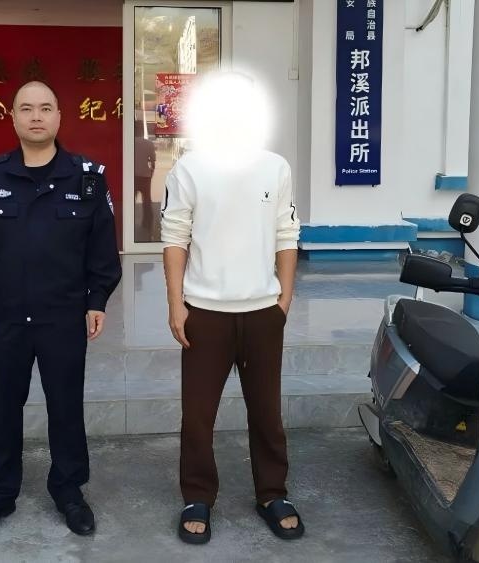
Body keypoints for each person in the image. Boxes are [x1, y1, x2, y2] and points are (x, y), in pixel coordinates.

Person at [0, 80, 121, 543]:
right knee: (3, 406)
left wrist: (97, 299)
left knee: (66, 406)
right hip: (6, 316)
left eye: (46, 108)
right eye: (26, 109)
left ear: (59, 116)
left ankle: (69, 490)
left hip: (63, 316)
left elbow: (102, 249)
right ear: (13, 118)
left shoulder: (86, 176)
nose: (36, 117)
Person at [160, 72, 304, 544]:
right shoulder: (190, 168)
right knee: (198, 415)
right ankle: (197, 496)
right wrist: (176, 304)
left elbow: (286, 233)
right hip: (204, 312)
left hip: (263, 312)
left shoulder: (275, 167)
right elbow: (175, 237)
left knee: (266, 412)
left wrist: (284, 298)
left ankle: (272, 493)